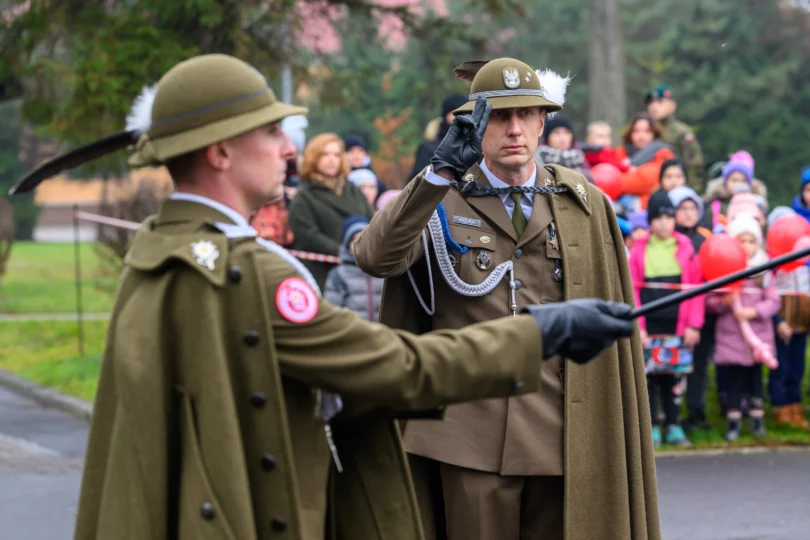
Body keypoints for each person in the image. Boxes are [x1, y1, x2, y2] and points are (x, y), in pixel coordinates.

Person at [8, 54, 639, 540]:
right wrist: (543, 332)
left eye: (528, 114)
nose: (290, 148)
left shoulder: (158, 253)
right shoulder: (251, 272)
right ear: (221, 151)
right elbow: (398, 363)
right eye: (271, 132)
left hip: (555, 427)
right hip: (438, 442)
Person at [354, 57, 660, 540]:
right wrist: (438, 173)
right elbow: (375, 257)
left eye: (526, 114)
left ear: (543, 123)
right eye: (499, 116)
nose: (514, 129)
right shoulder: (439, 197)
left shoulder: (582, 202)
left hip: (564, 430)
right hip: (466, 432)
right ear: (475, 124)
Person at [629, 190, 704, 447]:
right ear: (650, 221)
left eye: (668, 217)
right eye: (658, 218)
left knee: (674, 378)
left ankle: (674, 425)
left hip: (678, 324)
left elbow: (696, 289)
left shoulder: (686, 247)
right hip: (649, 324)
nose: (664, 223)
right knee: (648, 377)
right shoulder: (639, 250)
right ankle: (651, 428)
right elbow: (633, 290)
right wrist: (638, 327)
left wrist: (694, 325)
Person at [707, 213, 780, 441]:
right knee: (734, 381)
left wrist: (754, 312)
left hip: (758, 336)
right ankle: (733, 422)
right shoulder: (723, 269)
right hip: (732, 337)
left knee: (756, 379)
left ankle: (757, 421)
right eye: (742, 241)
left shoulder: (764, 271)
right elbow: (710, 302)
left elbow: (774, 301)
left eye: (751, 241)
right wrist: (724, 303)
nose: (746, 246)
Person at [288, 133, 374, 289]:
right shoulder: (304, 196)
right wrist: (345, 251)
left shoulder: (353, 190)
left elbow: (371, 221)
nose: (331, 159)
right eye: (325, 154)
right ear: (313, 158)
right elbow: (308, 235)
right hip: (323, 276)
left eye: (336, 154)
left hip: (359, 275)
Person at [668, 185, 714, 432]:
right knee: (672, 368)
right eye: (682, 208)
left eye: (692, 208)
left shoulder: (706, 239)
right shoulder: (669, 241)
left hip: (704, 313)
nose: (688, 213)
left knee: (699, 367)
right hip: (675, 314)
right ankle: (671, 416)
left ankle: (697, 412)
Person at [769, 205, 810, 429]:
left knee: (797, 368)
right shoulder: (773, 266)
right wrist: (777, 321)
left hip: (801, 324)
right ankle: (780, 406)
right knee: (781, 368)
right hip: (781, 324)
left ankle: (796, 407)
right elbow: (769, 296)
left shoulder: (805, 264)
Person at [645, 84, 705, 192]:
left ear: (672, 106)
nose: (654, 106)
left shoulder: (680, 132)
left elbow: (694, 163)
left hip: (676, 187)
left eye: (660, 102)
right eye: (650, 102)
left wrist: (691, 191)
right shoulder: (643, 130)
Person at [324, 216, 384, 321]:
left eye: (363, 239)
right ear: (347, 245)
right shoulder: (338, 276)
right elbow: (332, 313)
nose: (359, 244)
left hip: (383, 330)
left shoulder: (384, 271)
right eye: (353, 240)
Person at [615, 112, 676, 210]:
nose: (641, 136)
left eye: (647, 131)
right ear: (630, 133)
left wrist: (623, 175)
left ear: (655, 134)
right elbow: (605, 179)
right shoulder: (620, 152)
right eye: (636, 131)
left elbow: (648, 180)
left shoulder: (664, 153)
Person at [409, 94, 468, 180]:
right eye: (456, 113)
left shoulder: (476, 148)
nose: (461, 117)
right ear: (446, 115)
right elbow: (417, 182)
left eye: (465, 113)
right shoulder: (428, 149)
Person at [534, 115, 592, 180]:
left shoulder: (580, 158)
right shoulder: (536, 161)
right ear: (548, 137)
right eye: (557, 132)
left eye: (566, 132)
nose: (562, 137)